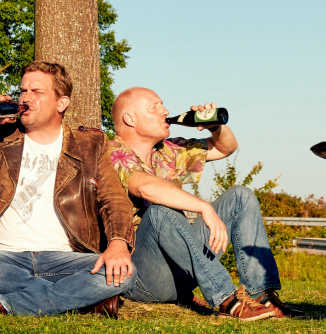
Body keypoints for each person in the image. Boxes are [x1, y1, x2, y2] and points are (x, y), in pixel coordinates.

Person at [108, 87, 304, 321]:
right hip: (143, 277)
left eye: (163, 105)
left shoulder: (168, 150)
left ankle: (261, 296)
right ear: (130, 118)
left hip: (182, 266)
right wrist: (204, 207)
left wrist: (215, 127)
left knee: (240, 196)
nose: (165, 111)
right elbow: (143, 186)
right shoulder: (110, 152)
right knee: (160, 210)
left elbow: (225, 148)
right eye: (155, 106)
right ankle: (227, 301)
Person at [0, 61, 136, 317]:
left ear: (61, 103)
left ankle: (9, 304)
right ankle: (80, 298)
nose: (26, 98)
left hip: (65, 259)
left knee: (125, 273)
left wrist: (118, 243)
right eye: (23, 91)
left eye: (36, 92)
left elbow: (115, 201)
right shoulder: (3, 137)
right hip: (4, 257)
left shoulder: (90, 146)